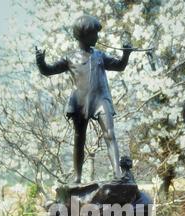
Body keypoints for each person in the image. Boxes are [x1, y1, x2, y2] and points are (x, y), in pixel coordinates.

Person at [36, 14, 133, 183]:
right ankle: (77, 176)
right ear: (84, 34)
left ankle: (117, 172)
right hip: (80, 101)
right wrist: (40, 62)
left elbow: (119, 66)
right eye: (95, 33)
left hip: (101, 99)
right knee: (79, 138)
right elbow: (48, 71)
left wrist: (125, 55)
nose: (98, 36)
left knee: (110, 133)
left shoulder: (100, 55)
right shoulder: (70, 57)